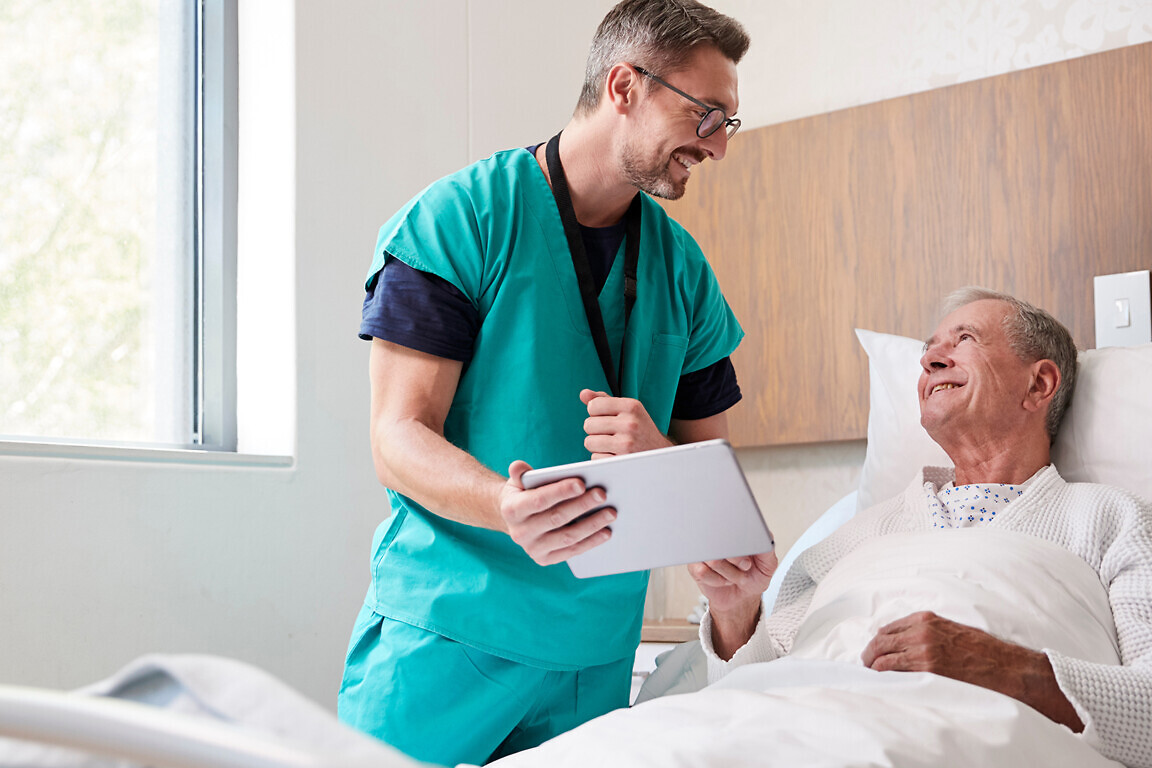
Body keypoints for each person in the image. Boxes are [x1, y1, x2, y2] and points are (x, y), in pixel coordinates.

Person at [338, 2, 751, 765]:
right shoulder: (460, 220)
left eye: (729, 120)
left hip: (593, 658)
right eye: (705, 114)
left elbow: (713, 490)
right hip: (447, 631)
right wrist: (506, 504)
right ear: (624, 85)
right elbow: (396, 437)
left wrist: (657, 454)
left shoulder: (685, 275)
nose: (718, 144)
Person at [690, 286, 1152, 768]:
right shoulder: (855, 536)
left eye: (964, 339)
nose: (930, 358)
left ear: (1039, 385)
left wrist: (1002, 667)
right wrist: (736, 613)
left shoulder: (1112, 519)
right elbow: (742, 694)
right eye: (929, 348)